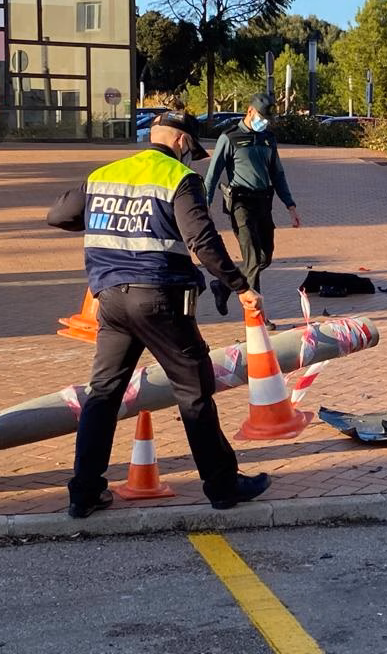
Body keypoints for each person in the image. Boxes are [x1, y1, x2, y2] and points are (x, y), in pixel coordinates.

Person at [47, 110, 271, 518]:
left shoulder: (105, 175)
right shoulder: (179, 178)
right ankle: (222, 486)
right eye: (191, 150)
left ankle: (84, 492)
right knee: (194, 391)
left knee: (103, 394)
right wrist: (241, 287)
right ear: (183, 142)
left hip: (111, 300)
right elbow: (202, 241)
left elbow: (58, 215)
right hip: (162, 300)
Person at [203, 93, 301, 330]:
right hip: (241, 205)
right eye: (261, 117)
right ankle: (258, 317)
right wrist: (204, 205)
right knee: (254, 260)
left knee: (265, 258)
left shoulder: (268, 139)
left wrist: (290, 205)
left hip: (263, 204)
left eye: (267, 120)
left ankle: (223, 286)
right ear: (249, 111)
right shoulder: (229, 137)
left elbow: (278, 174)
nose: (264, 122)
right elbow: (213, 174)